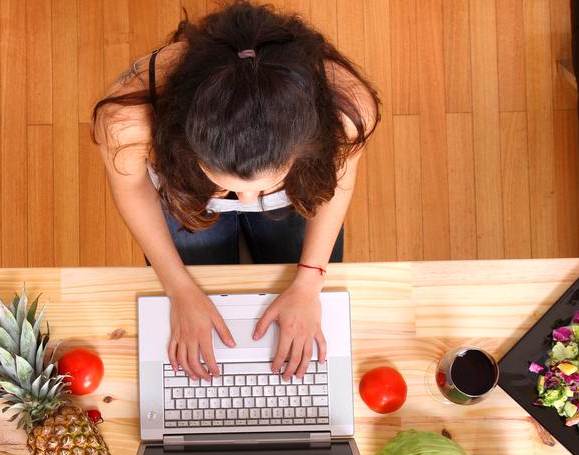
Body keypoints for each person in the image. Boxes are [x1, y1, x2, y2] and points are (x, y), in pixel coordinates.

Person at [92, 1, 379, 383]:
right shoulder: (126, 118)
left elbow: (339, 182)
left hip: (292, 197)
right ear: (180, 137)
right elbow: (130, 186)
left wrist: (310, 280)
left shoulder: (348, 109)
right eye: (229, 185)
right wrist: (177, 288)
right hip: (184, 194)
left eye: (263, 185)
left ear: (309, 144)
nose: (248, 203)